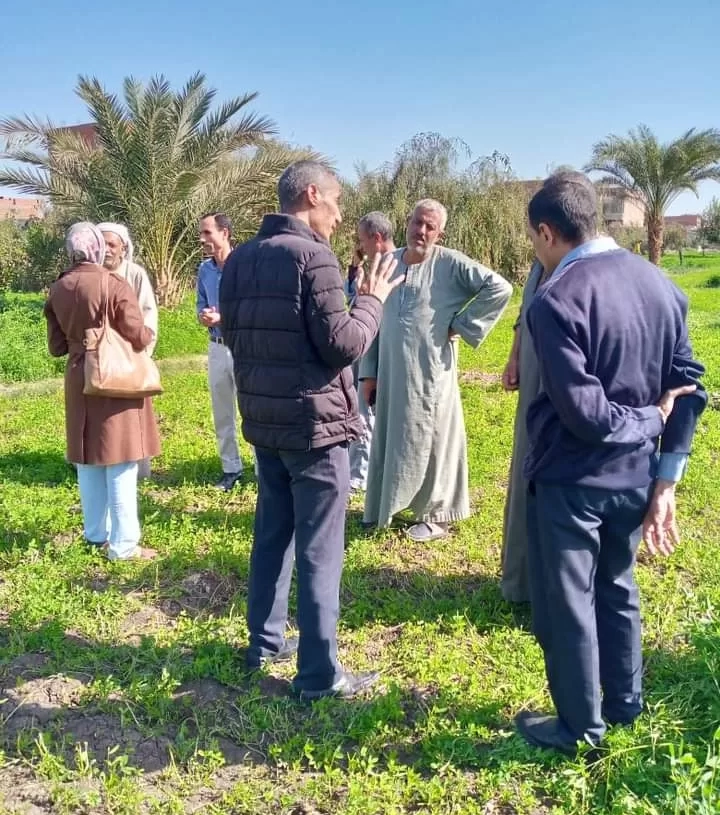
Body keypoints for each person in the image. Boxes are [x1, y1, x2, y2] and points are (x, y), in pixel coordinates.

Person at [516, 171, 707, 753]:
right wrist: (666, 472)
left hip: (570, 477)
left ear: (546, 232)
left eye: (532, 239)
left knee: (569, 599)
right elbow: (689, 389)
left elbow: (588, 415)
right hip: (635, 476)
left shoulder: (556, 300)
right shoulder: (662, 285)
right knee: (618, 585)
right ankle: (624, 702)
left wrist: (649, 418)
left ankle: (580, 726)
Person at [220, 160, 402, 699]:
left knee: (273, 533)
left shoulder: (240, 260)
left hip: (265, 422)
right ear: (312, 194)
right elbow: (342, 344)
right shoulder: (313, 257)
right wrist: (372, 301)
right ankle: (320, 674)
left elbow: (237, 336)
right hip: (315, 429)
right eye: (337, 202)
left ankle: (266, 641)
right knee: (321, 549)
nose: (341, 216)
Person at [360, 199, 512, 541]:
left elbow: (500, 288)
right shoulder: (386, 263)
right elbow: (371, 316)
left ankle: (436, 516)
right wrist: (369, 374)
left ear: (440, 233)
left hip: (431, 374)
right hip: (390, 370)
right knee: (390, 433)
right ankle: (385, 507)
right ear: (408, 222)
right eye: (418, 223)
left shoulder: (451, 264)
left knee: (432, 439)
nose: (422, 231)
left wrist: (462, 324)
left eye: (430, 227)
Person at [44, 222, 160, 561]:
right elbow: (138, 334)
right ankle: (124, 546)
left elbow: (55, 347)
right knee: (121, 459)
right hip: (112, 376)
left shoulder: (59, 288)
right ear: (96, 248)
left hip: (78, 376)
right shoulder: (113, 283)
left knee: (88, 457)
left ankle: (95, 534)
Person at [499, 258, 546, 603]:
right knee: (524, 468)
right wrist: (514, 356)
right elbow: (524, 315)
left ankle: (544, 586)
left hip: (555, 381)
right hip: (530, 376)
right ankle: (520, 582)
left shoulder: (578, 264)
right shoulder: (539, 261)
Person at [98, 221, 159, 480]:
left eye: (112, 245)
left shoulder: (134, 274)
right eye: (102, 244)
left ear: (124, 248)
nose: (107, 250)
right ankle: (101, 463)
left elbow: (148, 314)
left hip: (131, 358)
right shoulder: (92, 275)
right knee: (102, 418)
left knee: (135, 418)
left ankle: (139, 470)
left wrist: (141, 353)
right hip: (99, 361)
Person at [346, 212, 396, 492]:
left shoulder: (393, 267)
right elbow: (351, 297)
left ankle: (360, 474)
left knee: (366, 411)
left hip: (376, 348)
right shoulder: (370, 266)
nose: (360, 245)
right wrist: (355, 266)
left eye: (362, 240)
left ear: (376, 238)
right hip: (362, 344)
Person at [196, 212, 245, 491]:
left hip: (243, 348)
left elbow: (253, 307)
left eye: (207, 233)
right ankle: (231, 469)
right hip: (216, 347)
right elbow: (200, 303)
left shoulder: (245, 266)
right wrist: (203, 316)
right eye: (202, 234)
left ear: (224, 233)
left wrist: (223, 317)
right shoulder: (204, 270)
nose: (203, 239)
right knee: (222, 412)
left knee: (252, 411)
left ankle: (264, 470)